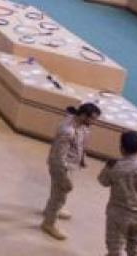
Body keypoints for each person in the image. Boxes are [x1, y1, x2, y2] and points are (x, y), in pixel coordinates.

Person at [42, 102, 102, 241]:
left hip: (71, 164)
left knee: (57, 192)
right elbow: (59, 157)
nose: (93, 122)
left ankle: (49, 210)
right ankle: (49, 223)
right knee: (59, 195)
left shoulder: (81, 126)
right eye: (92, 119)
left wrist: (82, 159)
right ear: (83, 115)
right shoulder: (68, 131)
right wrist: (64, 177)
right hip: (62, 167)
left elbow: (80, 144)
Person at [98, 131, 137, 256]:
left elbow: (103, 181)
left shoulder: (115, 167)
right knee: (135, 242)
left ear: (122, 148)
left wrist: (107, 167)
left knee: (115, 247)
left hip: (119, 214)